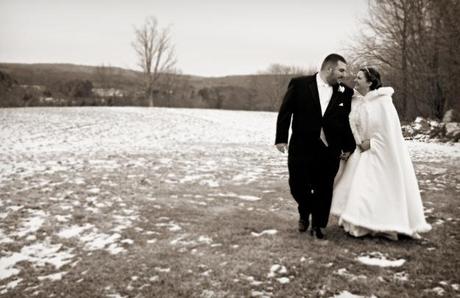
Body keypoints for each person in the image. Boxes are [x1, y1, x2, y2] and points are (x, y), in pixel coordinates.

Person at [331, 67, 432, 240]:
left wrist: (373, 143)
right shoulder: (356, 101)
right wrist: (357, 142)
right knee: (355, 187)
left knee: (370, 187)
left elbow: (390, 132)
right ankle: (358, 223)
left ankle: (384, 224)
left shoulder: (384, 102)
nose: (355, 80)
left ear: (370, 82)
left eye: (359, 78)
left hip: (380, 152)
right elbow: (352, 124)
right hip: (360, 151)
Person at [275, 54, 356, 239]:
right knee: (297, 185)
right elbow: (285, 112)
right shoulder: (300, 84)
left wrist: (348, 146)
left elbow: (344, 122)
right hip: (301, 146)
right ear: (329, 68)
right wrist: (281, 138)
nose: (344, 74)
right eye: (341, 70)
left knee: (325, 187)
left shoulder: (346, 92)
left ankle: (319, 225)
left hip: (330, 149)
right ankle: (305, 211)